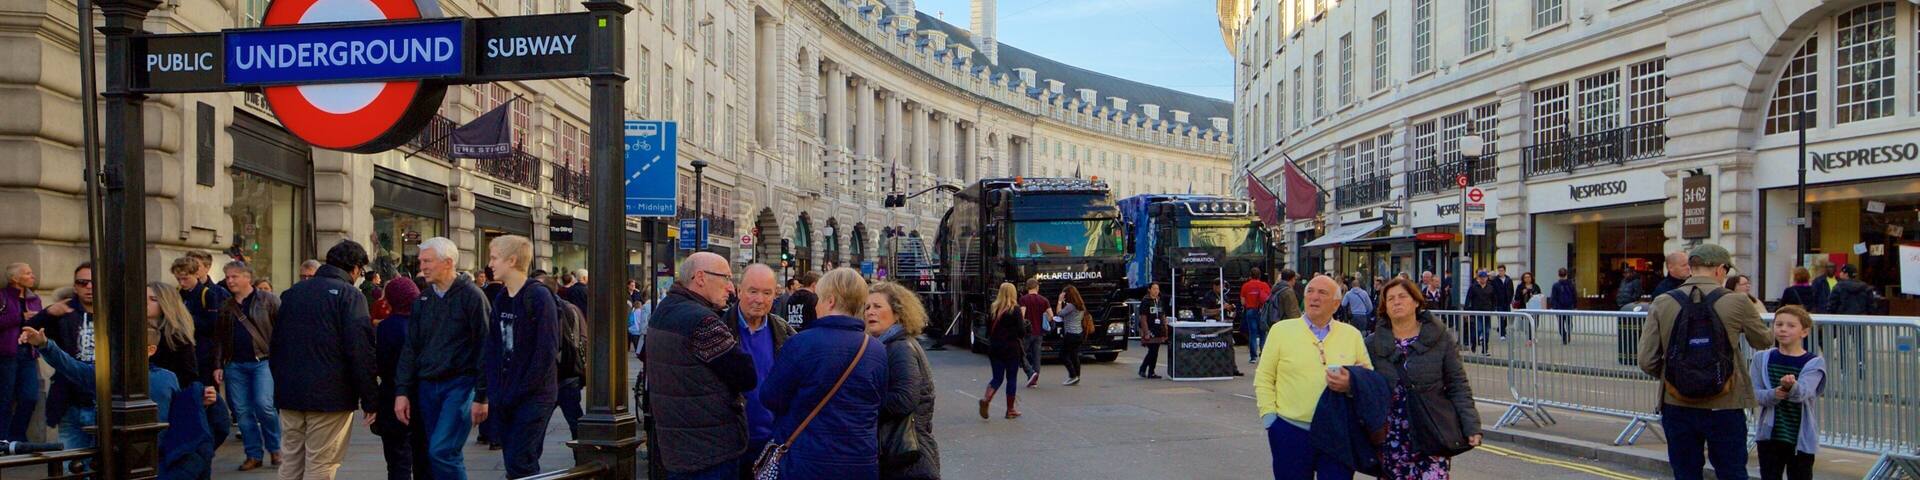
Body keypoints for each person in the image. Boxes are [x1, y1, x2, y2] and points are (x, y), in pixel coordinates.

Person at [1638, 243, 1772, 480]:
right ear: (1720, 270)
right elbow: (1762, 341)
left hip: (1676, 402)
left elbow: (1647, 360)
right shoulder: (1738, 302)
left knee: (1685, 473)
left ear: (1691, 268)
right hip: (1725, 403)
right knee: (1731, 472)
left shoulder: (1662, 302)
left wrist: (1680, 375)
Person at [759, 268, 889, 479]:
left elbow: (771, 397)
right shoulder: (876, 350)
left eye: (817, 299)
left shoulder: (801, 343)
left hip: (807, 459)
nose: (815, 305)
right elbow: (879, 402)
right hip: (860, 462)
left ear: (830, 301)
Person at [273, 240, 380, 480]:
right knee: (321, 463)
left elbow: (276, 345)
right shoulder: (350, 296)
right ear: (354, 268)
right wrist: (371, 398)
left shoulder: (292, 294)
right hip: (331, 395)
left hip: (290, 392)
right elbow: (360, 350)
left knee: (290, 461)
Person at [645, 251, 756, 480]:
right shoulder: (702, 321)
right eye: (725, 278)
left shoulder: (663, 311)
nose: (731, 288)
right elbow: (745, 375)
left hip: (677, 447)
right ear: (701, 277)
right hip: (711, 450)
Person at [1254, 275, 1374, 480]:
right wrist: (1270, 420)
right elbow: (1264, 377)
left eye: (1322, 293)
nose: (1314, 297)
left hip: (1338, 433)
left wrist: (1350, 384)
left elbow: (1367, 379)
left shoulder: (1351, 335)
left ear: (1336, 304)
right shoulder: (1281, 331)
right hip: (1290, 430)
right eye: (1310, 291)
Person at [392, 237, 490, 480]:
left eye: (427, 261)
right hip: (428, 386)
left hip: (460, 385)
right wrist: (401, 392)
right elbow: (410, 349)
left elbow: (486, 348)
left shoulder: (472, 297)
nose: (422, 266)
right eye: (421, 261)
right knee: (436, 452)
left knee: (443, 450)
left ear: (448, 262)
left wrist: (482, 396)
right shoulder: (423, 300)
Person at [1366, 278, 1481, 479]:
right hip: (1392, 436)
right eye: (1390, 299)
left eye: (1402, 296)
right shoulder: (1372, 344)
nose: (1396, 302)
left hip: (1430, 429)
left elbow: (1457, 384)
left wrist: (1471, 426)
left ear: (1417, 302)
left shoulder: (1440, 338)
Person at [479, 235, 560, 478]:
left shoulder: (539, 297)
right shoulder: (502, 298)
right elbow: (492, 348)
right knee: (514, 461)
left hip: (534, 396)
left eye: (494, 258)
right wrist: (492, 391)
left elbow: (546, 352)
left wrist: (520, 390)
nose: (490, 264)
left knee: (521, 461)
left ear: (512, 260)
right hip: (505, 396)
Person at [867, 281, 940, 479]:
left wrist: (863, 401)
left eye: (877, 306)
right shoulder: (887, 345)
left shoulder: (900, 348)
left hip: (909, 457)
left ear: (897, 313)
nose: (870, 312)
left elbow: (904, 400)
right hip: (903, 454)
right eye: (866, 307)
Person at [732, 264, 798, 471]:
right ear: (739, 291)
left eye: (767, 293)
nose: (759, 299)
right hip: (732, 444)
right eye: (753, 291)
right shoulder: (718, 328)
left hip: (773, 443)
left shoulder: (784, 331)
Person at [218, 262, 283, 471]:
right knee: (242, 411)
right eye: (227, 277)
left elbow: (282, 331)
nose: (230, 280)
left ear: (248, 277)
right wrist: (218, 364)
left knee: (264, 405)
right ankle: (253, 454)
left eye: (234, 276)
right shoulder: (227, 306)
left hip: (262, 361)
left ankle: (276, 449)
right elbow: (219, 338)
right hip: (234, 365)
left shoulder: (269, 300)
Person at [1752, 306, 1825, 480]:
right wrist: (1773, 394)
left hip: (1799, 438)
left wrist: (1791, 386)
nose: (1783, 329)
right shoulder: (1762, 358)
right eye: (1779, 324)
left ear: (1804, 332)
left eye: (1791, 326)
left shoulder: (1814, 363)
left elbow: (1804, 392)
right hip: (1769, 435)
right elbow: (1753, 393)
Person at [26, 263, 93, 449]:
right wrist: (47, 313)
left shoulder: (116, 314)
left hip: (103, 403)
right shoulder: (63, 312)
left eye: (94, 282)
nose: (89, 287)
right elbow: (28, 332)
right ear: (75, 287)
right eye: (83, 282)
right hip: (69, 402)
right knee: (71, 466)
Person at [173, 256, 232, 452]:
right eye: (179, 279)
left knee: (207, 396)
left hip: (204, 353)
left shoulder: (207, 294)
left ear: (195, 275)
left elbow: (214, 326)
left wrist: (186, 319)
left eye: (185, 278)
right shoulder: (177, 294)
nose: (182, 283)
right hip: (185, 351)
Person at [373, 278, 429, 480]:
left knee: (397, 461)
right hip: (423, 396)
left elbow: (381, 363)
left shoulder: (386, 327)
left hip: (392, 395)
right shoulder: (425, 323)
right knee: (424, 458)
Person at [0, 263, 41, 442]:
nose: (33, 276)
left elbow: (41, 321)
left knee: (30, 396)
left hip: (29, 353)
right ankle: (2, 440)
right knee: (5, 399)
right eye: (28, 273)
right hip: (6, 354)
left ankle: (17, 437)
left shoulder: (35, 298)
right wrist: (20, 318)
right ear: (15, 279)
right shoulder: (2, 296)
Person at [982, 282, 1028, 417]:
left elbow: (988, 330)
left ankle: (986, 399)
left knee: (997, 378)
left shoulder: (993, 309)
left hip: (995, 348)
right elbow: (1021, 332)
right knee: (1011, 378)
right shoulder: (1015, 310)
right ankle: (1010, 410)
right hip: (1011, 349)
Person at [1016, 278, 1052, 388]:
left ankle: (1031, 373)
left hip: (1027, 332)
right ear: (1037, 287)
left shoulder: (1024, 299)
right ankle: (1034, 380)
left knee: (1021, 354)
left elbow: (1022, 315)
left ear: (1027, 287)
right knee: (1037, 356)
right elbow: (1051, 316)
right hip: (1039, 332)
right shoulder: (1044, 300)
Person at [1054, 285, 1089, 386]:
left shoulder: (1071, 306)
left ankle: (1073, 375)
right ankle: (1077, 376)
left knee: (1062, 355)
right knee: (1074, 355)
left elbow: (1059, 313)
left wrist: (1060, 301)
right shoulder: (1081, 305)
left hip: (1070, 334)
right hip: (1079, 333)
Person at [1136, 283, 1169, 379]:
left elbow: (1162, 315)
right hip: (1150, 329)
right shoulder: (1146, 301)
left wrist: (1165, 329)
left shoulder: (1159, 300)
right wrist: (1146, 332)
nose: (1156, 290)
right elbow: (1143, 318)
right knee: (1152, 351)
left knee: (1155, 351)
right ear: (1149, 290)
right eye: (1154, 288)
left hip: (1158, 329)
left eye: (1157, 289)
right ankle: (1143, 369)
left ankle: (1151, 372)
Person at [1241, 268, 1273, 365]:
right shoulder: (1264, 285)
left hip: (1250, 311)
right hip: (1262, 311)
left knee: (1252, 334)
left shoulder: (1245, 286)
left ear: (1250, 275)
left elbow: (1243, 301)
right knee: (1263, 333)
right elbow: (1269, 299)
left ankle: (1253, 357)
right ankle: (1263, 355)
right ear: (1260, 275)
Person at [1464, 272, 1497, 355]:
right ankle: (1474, 343)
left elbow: (1494, 299)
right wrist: (1466, 311)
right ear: (1478, 278)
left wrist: (1493, 309)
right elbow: (1468, 299)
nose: (1483, 279)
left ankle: (1485, 349)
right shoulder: (1473, 287)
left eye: (1485, 277)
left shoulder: (1490, 287)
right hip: (1476, 311)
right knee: (1478, 329)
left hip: (1487, 311)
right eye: (1481, 277)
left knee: (1486, 331)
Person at [1550, 269, 1577, 345]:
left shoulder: (1555, 285)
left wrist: (1554, 307)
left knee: (1561, 324)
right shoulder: (1571, 284)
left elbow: (1553, 297)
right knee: (1569, 323)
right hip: (1569, 307)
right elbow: (1574, 295)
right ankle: (1568, 334)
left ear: (1558, 275)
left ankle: (1564, 337)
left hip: (1559, 308)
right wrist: (1575, 306)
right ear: (1566, 275)